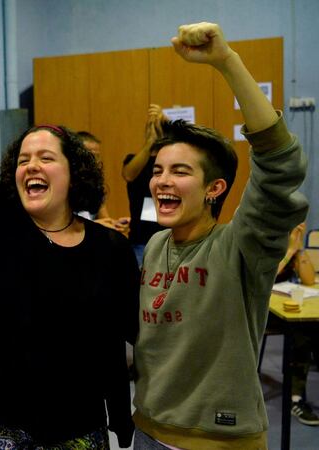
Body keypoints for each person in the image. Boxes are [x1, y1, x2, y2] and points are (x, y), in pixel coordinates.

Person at [0, 6, 138, 448]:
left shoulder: (110, 248)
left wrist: (122, 414)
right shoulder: (2, 227)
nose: (30, 165)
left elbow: (121, 339)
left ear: (75, 175)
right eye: (22, 160)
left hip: (75, 422)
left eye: (46, 157)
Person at [132, 23, 308, 449]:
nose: (162, 181)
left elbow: (279, 165)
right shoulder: (155, 244)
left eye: (180, 171)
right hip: (148, 429)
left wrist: (227, 62)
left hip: (219, 438)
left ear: (215, 188)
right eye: (157, 171)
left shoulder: (240, 245)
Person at [276, 222, 318, 426]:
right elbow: (261, 278)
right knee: (302, 333)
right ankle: (296, 398)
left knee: (311, 327)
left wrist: (298, 249)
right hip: (258, 309)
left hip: (285, 303)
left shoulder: (291, 246)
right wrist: (290, 249)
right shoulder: (262, 240)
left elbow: (309, 279)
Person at [121, 105, 167, 265]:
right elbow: (128, 174)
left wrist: (167, 128)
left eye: (157, 128)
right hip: (141, 240)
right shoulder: (134, 160)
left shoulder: (170, 162)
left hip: (171, 236)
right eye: (151, 128)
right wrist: (149, 143)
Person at [77, 131, 130, 234]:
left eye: (97, 156)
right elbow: (62, 227)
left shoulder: (95, 185)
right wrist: (96, 224)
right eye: (90, 155)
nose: (95, 161)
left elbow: (104, 219)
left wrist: (116, 224)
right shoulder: (64, 185)